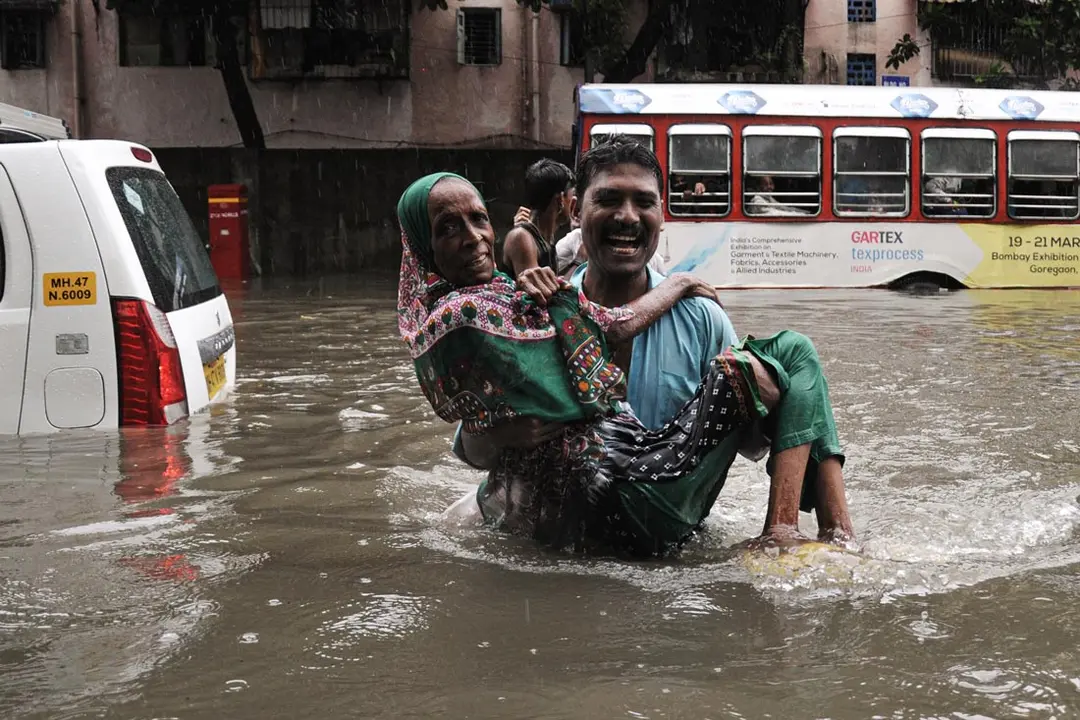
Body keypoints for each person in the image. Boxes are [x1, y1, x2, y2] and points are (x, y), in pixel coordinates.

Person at [398, 165, 852, 558]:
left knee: (786, 366)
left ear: (661, 217)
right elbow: (476, 445)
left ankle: (809, 531)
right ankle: (810, 532)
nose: (626, 217)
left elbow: (763, 432)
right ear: (574, 211)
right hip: (625, 498)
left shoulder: (699, 319)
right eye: (609, 200)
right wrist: (680, 284)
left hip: (584, 511)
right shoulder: (499, 309)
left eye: (478, 219)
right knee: (793, 353)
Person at [498, 159, 573, 279]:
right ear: (560, 200)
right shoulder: (522, 238)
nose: (574, 203)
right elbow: (539, 294)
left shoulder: (547, 238)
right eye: (571, 196)